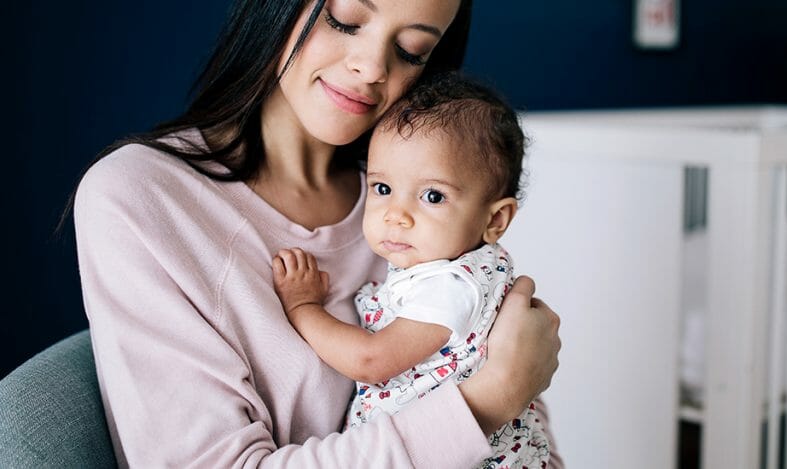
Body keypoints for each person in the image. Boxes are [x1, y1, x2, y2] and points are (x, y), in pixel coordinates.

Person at [70, 0, 561, 466]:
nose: (372, 68)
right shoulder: (144, 198)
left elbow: (528, 439)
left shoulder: (421, 206)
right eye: (345, 19)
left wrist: (509, 393)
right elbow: (504, 389)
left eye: (411, 50)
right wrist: (489, 401)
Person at [272, 72, 550, 468]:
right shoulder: (451, 264)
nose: (396, 215)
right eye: (383, 188)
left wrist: (303, 307)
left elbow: (371, 361)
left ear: (496, 220)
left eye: (432, 196)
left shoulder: (451, 286)